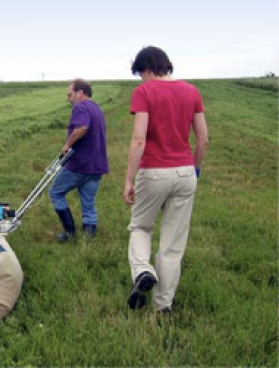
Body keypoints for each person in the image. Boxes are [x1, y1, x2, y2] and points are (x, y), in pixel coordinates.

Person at [123, 46, 209, 312]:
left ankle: (142, 272)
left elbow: (139, 139)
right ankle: (163, 306)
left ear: (147, 68)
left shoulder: (145, 92)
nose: (141, 79)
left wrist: (128, 179)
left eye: (140, 74)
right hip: (185, 172)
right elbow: (203, 138)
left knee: (140, 227)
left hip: (154, 172)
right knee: (173, 245)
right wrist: (194, 168)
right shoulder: (192, 91)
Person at [49, 79, 109, 242]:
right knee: (88, 200)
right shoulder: (97, 108)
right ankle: (89, 235)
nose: (68, 98)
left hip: (80, 164)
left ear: (80, 93)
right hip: (97, 164)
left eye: (70, 94)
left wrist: (67, 145)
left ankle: (69, 233)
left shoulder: (80, 106)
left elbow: (82, 127)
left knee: (55, 192)